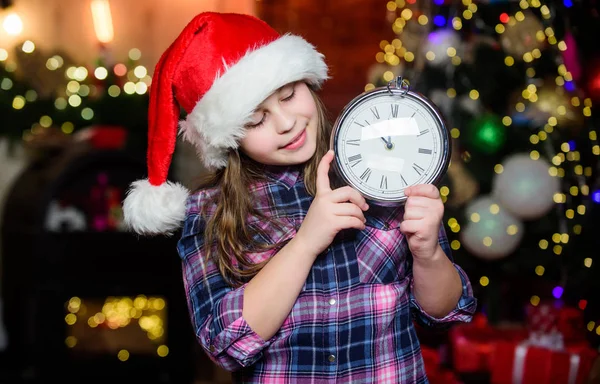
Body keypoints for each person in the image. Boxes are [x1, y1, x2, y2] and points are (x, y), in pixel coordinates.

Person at [123, 12, 477, 383]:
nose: (286, 122)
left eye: (290, 95)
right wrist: (305, 243)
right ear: (228, 137)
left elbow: (446, 313)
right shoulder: (210, 211)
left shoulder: (384, 169)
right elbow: (224, 344)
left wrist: (429, 255)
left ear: (308, 82)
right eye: (256, 120)